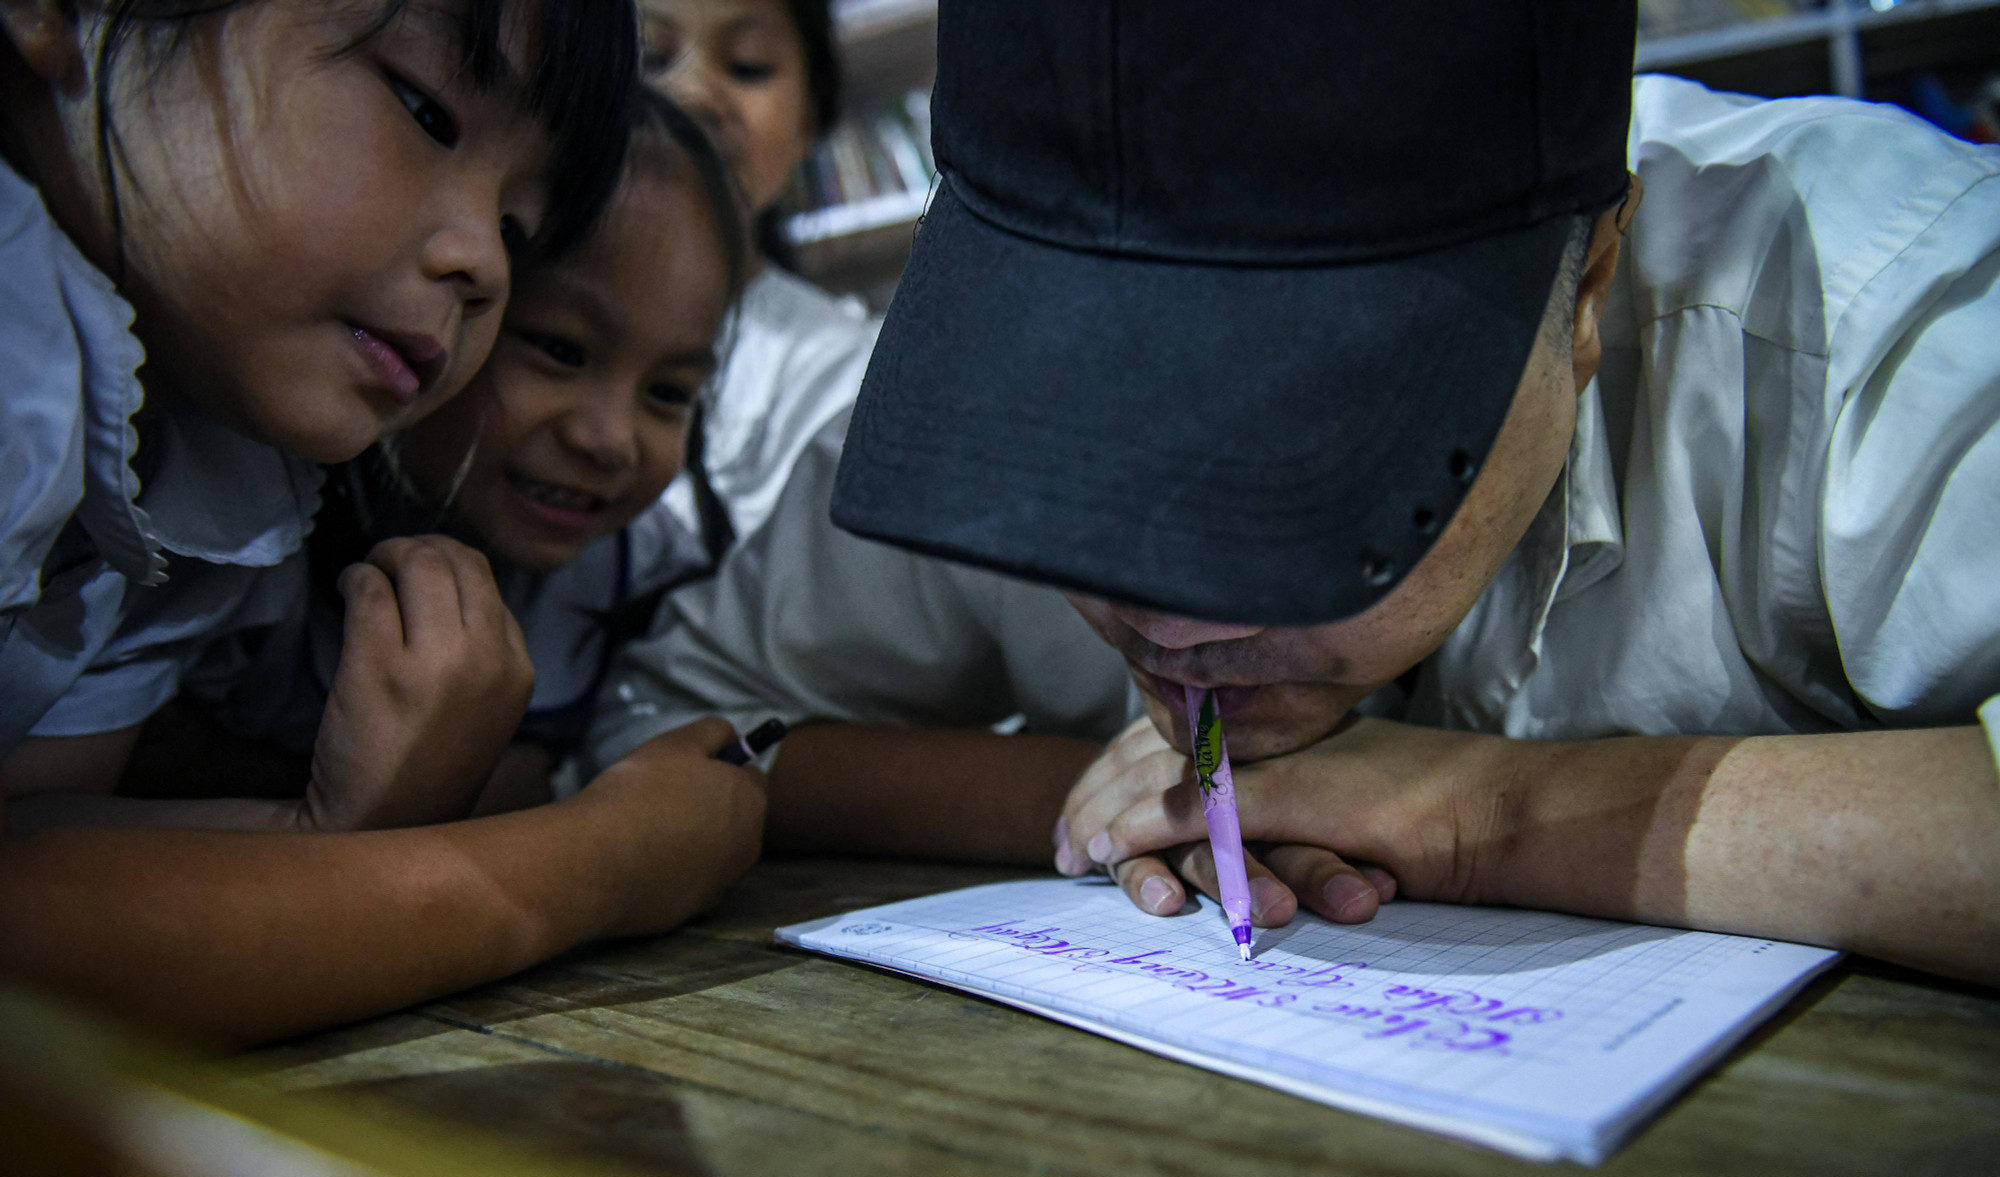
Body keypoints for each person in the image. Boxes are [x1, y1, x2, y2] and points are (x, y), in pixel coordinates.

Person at [615, 1, 2000, 986]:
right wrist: (1105, 801)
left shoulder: (1884, 315)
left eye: (1299, 460)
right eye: (1074, 455)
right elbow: (661, 719)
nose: (1168, 619)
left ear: (1584, 286)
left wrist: (1490, 815)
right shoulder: (986, 362)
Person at [0, 0, 763, 1044]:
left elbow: (39, 838)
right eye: (425, 109)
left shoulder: (196, 464)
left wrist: (331, 830)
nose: (485, 268)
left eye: (514, 229)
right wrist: (597, 863)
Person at [165, 88, 753, 816]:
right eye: (559, 349)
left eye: (669, 393)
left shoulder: (644, 585)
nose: (609, 438)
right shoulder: (228, 539)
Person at [637, 0, 882, 546]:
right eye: (649, 55)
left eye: (747, 66)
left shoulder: (849, 376)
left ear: (808, 121)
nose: (695, 94)